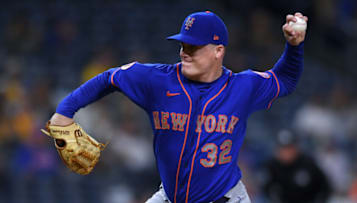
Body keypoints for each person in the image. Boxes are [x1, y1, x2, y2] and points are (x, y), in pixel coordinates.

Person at [47, 11, 307, 203]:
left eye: (194, 46)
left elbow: (284, 79)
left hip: (224, 199)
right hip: (169, 197)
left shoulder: (242, 87)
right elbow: (109, 78)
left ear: (218, 51)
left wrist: (294, 47)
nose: (185, 52)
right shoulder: (157, 80)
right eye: (183, 44)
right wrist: (64, 111)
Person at [260, 129, 331, 203]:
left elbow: (324, 187)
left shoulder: (308, 164)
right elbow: (265, 191)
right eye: (283, 148)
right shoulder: (271, 167)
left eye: (289, 148)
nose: (286, 152)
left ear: (296, 147)